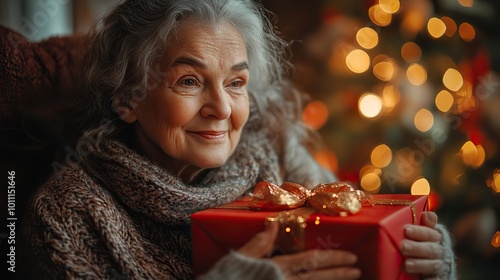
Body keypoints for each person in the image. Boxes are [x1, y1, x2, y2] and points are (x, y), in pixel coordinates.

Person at [19, 0, 456, 279]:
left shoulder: (277, 151)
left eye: (236, 83)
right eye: (190, 81)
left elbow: (361, 247)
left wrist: (422, 263)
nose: (223, 109)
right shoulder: (69, 212)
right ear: (127, 98)